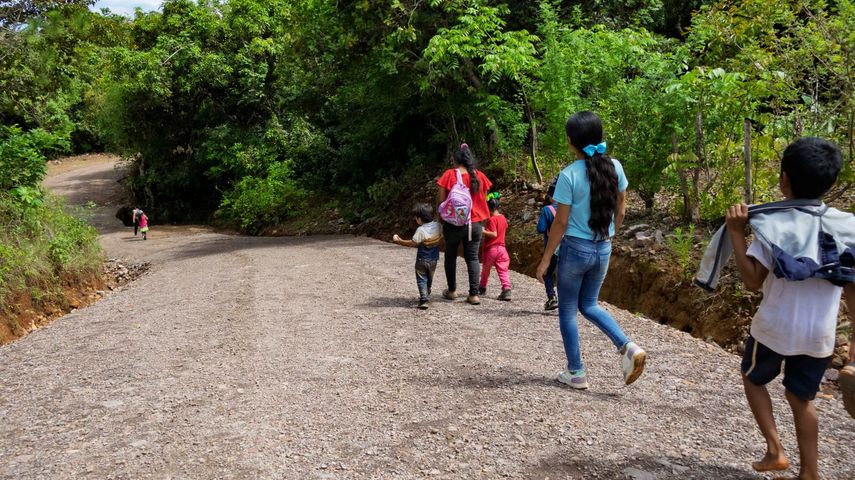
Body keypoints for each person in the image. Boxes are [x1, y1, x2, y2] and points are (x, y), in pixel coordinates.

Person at [723, 137, 855, 480]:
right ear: (832, 182)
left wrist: (737, 233)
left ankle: (774, 448)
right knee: (802, 399)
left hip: (774, 327)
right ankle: (810, 472)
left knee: (752, 378)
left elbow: (753, 280)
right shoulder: (847, 227)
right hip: (819, 335)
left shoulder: (775, 225)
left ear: (784, 179)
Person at [535, 111, 646, 390]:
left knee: (568, 311)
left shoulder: (568, 175)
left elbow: (560, 223)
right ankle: (628, 346)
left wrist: (546, 258)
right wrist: (612, 233)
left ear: (571, 141)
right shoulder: (615, 167)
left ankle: (576, 372)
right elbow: (621, 209)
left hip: (575, 250)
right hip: (603, 247)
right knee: (590, 304)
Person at [436, 143, 493, 305]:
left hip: (452, 224)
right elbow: (484, 199)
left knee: (451, 255)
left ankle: (452, 291)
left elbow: (441, 200)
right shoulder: (480, 176)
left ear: (455, 159)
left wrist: (440, 219)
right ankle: (474, 295)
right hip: (474, 225)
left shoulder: (449, 175)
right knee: (473, 258)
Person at [392, 203, 442, 309]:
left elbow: (413, 243)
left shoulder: (421, 230)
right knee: (429, 278)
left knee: (421, 278)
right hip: (434, 259)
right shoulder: (438, 226)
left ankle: (424, 299)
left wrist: (399, 240)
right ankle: (426, 293)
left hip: (421, 259)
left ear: (419, 219)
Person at [479, 193, 512, 301]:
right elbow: (504, 227)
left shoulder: (491, 220)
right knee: (503, 270)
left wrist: (482, 230)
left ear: (488, 208)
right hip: (502, 249)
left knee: (486, 270)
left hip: (491, 249)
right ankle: (507, 289)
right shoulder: (503, 218)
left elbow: (494, 234)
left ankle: (482, 287)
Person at [537, 178, 560, 311]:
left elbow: (540, 228)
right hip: (568, 247)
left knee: (549, 273)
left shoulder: (547, 210)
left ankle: (552, 298)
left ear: (551, 196)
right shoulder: (569, 209)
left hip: (551, 248)